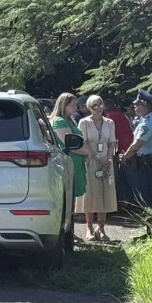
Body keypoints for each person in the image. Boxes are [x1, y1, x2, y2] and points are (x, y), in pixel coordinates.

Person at [120, 89, 152, 225]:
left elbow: (136, 144)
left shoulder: (148, 122)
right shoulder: (150, 119)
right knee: (147, 196)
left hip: (147, 164)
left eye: (137, 105)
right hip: (148, 162)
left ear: (145, 106)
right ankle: (150, 228)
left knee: (148, 197)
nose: (134, 107)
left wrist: (125, 157)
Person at [77, 95, 119, 241]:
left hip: (106, 162)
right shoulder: (84, 123)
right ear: (89, 107)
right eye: (95, 105)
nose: (99, 108)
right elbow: (85, 142)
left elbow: (112, 142)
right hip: (91, 161)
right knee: (91, 194)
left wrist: (107, 158)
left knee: (104, 193)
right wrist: (97, 158)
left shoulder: (110, 123)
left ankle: (101, 228)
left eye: (100, 104)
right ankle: (88, 227)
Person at [50, 93, 89, 241]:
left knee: (72, 200)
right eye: (71, 105)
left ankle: (70, 233)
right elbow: (68, 143)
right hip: (68, 162)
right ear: (63, 105)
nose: (74, 108)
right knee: (67, 199)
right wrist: (86, 151)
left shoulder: (69, 120)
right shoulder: (59, 121)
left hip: (76, 162)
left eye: (75, 105)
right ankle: (66, 234)